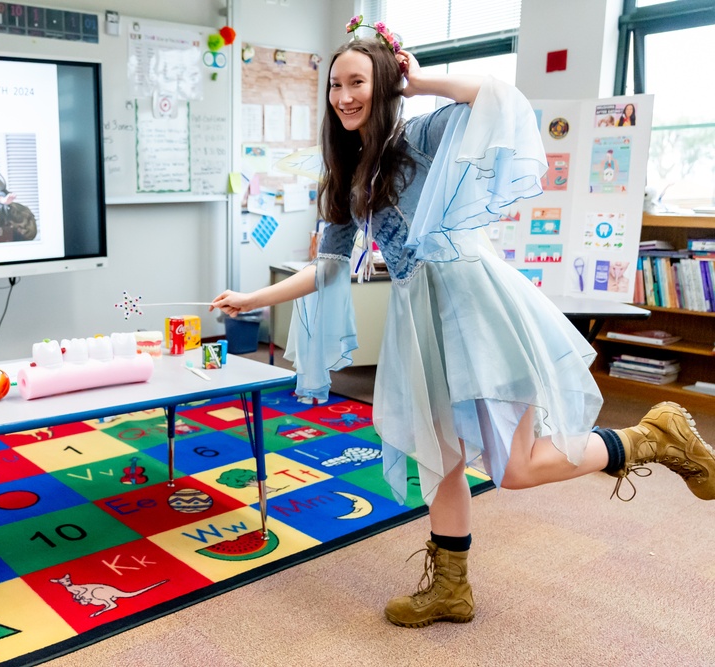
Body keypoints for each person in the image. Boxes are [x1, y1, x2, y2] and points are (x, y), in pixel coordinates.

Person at [210, 16, 715, 629]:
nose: (344, 96)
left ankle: (650, 438)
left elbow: (500, 98)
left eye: (357, 82)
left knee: (516, 467)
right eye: (335, 85)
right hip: (420, 319)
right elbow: (331, 268)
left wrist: (418, 82)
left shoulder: (422, 135)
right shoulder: (347, 173)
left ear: (385, 84)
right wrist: (254, 298)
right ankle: (451, 587)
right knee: (440, 454)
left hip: (473, 302)